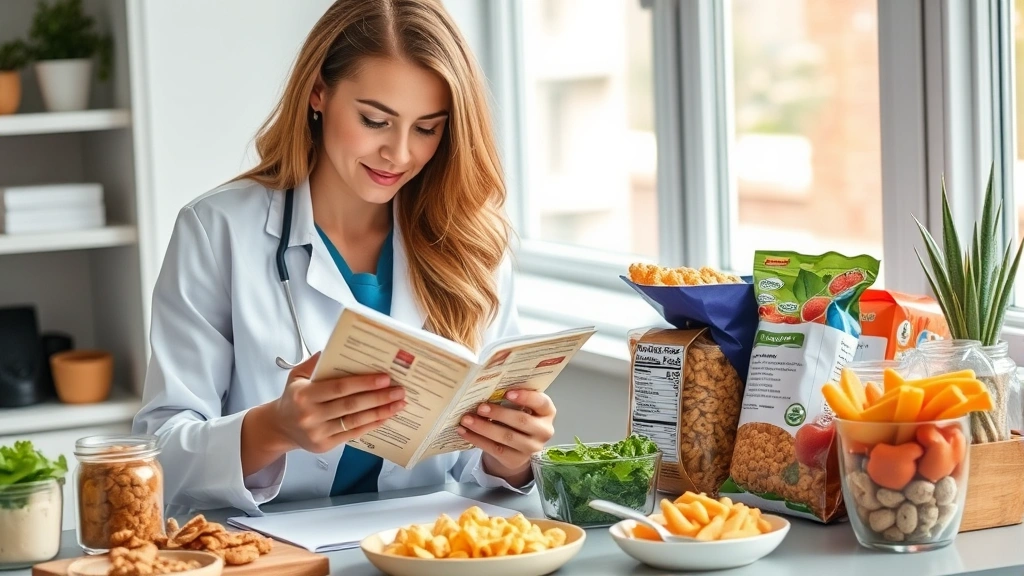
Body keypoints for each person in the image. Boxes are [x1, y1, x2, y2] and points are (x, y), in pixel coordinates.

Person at [133, 0, 556, 516]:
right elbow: (156, 457)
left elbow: (476, 471)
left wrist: (511, 456)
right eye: (375, 120)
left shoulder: (472, 243)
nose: (399, 154)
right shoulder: (217, 230)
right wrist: (273, 428)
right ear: (318, 92)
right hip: (273, 555)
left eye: (427, 128)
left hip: (421, 549)